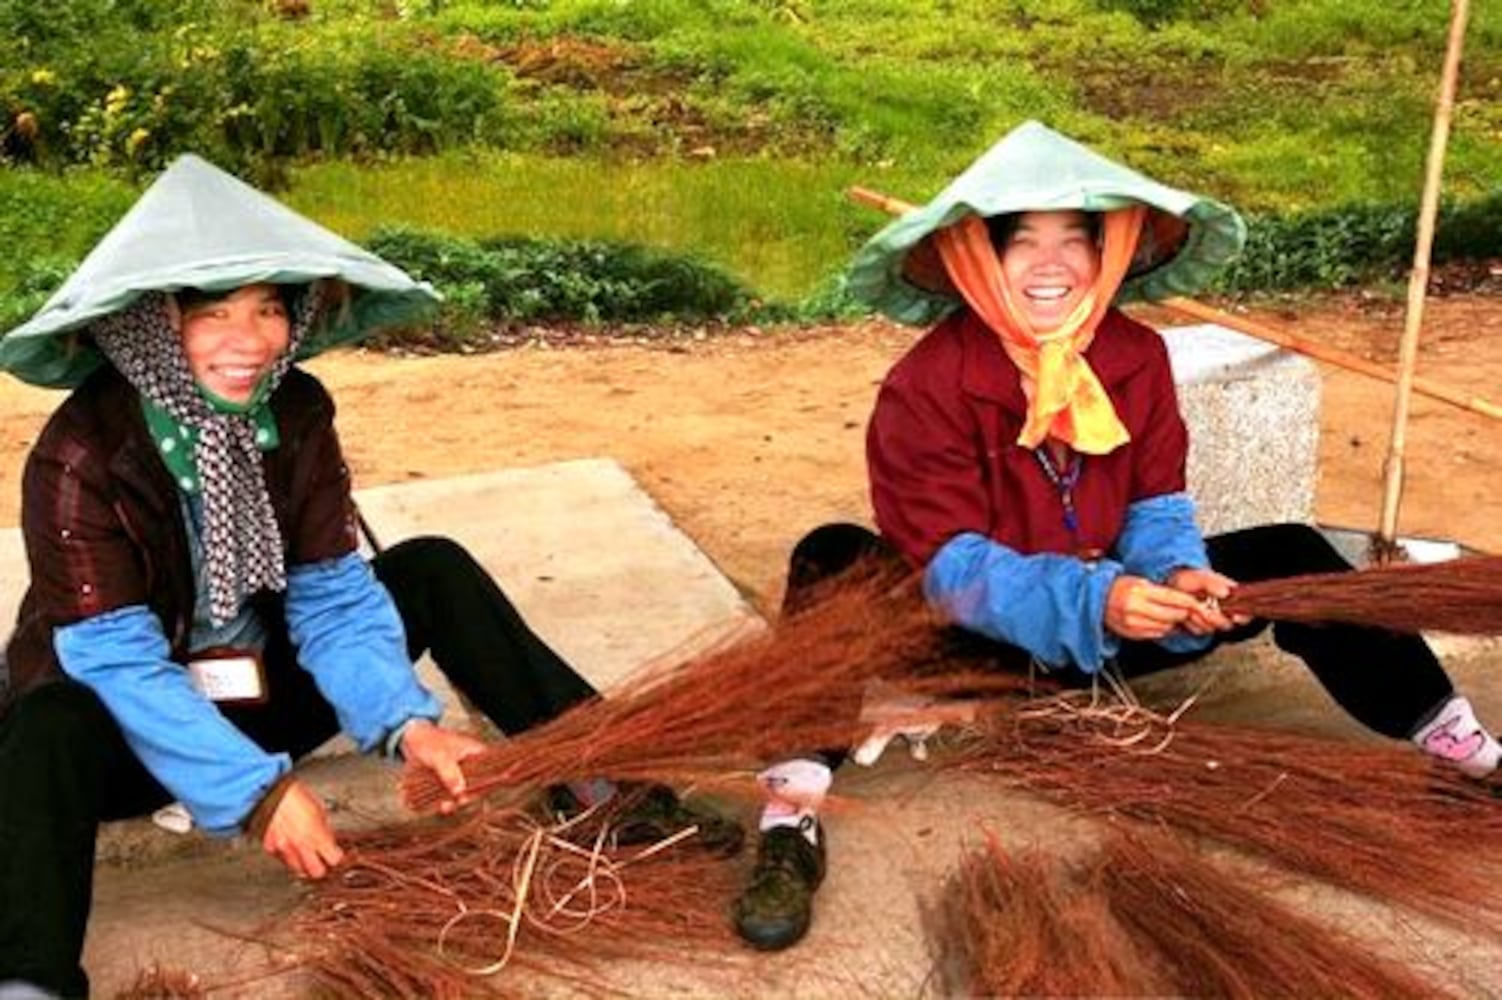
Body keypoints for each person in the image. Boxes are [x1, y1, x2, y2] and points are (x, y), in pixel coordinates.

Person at [730, 120, 1502, 951]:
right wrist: (1096, 598)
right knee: (832, 554)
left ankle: (1464, 750)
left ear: (1112, 253)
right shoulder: (926, 385)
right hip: (963, 649)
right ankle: (790, 814)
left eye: (1076, 240)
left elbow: (1157, 498)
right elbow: (948, 566)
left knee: (1290, 550)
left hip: (1103, 644)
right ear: (976, 260)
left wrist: (1180, 571)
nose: (1051, 265)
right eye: (1021, 242)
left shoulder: (1134, 358)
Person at [0, 156, 736, 999]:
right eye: (215, 316)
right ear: (149, 327)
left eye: (271, 310)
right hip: (134, 735)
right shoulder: (81, 452)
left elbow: (330, 594)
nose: (253, 342)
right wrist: (260, 794)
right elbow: (115, 660)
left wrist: (405, 726)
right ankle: (30, 980)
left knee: (430, 570)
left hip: (263, 692)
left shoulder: (297, 410)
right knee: (43, 721)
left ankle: (611, 785)